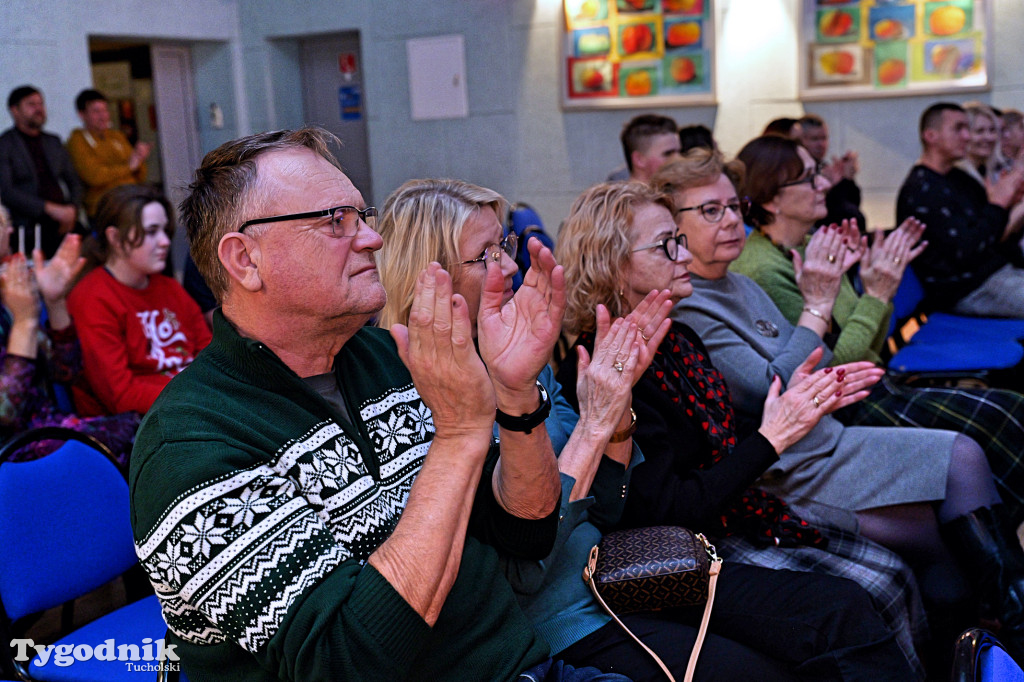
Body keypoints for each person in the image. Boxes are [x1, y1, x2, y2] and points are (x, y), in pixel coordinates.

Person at [376, 177, 915, 681]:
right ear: (429, 274)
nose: (510, 267)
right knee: (804, 643)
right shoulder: (422, 396)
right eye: (486, 255)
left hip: (625, 569)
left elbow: (610, 509)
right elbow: (529, 566)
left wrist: (615, 417)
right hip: (566, 613)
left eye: (506, 246)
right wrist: (597, 427)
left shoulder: (535, 360)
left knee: (843, 609)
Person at [127, 128, 616, 682]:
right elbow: (344, 664)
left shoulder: (386, 358)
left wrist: (517, 396)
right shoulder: (190, 442)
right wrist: (459, 436)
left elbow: (526, 534)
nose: (372, 239)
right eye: (336, 220)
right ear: (245, 259)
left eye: (363, 216)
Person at [660, 147, 1024, 664]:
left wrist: (844, 306)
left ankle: (998, 625)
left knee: (967, 453)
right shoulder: (688, 304)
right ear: (673, 230)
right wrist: (818, 304)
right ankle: (977, 640)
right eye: (711, 211)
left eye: (734, 206)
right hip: (790, 468)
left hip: (829, 435)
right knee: (948, 505)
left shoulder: (739, 283)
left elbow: (818, 361)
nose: (732, 220)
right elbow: (773, 385)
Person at [554, 179, 931, 677]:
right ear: (614, 266)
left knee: (894, 575)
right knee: (856, 599)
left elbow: (719, 444)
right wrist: (774, 434)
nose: (684, 254)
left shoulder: (678, 337)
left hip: (730, 514)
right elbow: (669, 511)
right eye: (667, 244)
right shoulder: (598, 371)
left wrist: (792, 403)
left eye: (680, 239)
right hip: (670, 557)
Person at [731, 134, 1024, 524]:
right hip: (842, 412)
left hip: (872, 385)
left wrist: (879, 293)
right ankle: (988, 544)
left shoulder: (811, 243)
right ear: (771, 199)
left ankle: (993, 533)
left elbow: (871, 344)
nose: (824, 184)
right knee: (1000, 420)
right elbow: (830, 369)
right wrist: (876, 295)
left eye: (819, 173)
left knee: (1010, 410)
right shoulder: (765, 269)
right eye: (809, 178)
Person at [0, 205, 138, 464]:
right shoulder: (16, 303)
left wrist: (54, 302)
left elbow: (67, 371)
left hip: (49, 430)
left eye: (7, 222)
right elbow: (5, 414)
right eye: (1, 224)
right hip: (17, 451)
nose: (9, 231)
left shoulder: (10, 292)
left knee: (146, 430)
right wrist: (25, 322)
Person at [66, 185, 210, 416]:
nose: (165, 241)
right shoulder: (92, 298)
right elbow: (120, 396)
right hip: (146, 422)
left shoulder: (170, 287)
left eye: (165, 230)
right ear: (115, 237)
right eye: (151, 232)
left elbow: (211, 353)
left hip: (194, 404)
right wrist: (197, 398)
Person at [896, 102, 1024, 318]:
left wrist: (1008, 203)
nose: (967, 136)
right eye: (958, 129)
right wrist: (999, 204)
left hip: (994, 274)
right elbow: (966, 251)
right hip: (968, 290)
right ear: (931, 136)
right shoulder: (921, 189)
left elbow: (992, 237)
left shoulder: (957, 178)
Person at [0, 85, 83, 257]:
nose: (39, 109)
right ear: (15, 110)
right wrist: (49, 209)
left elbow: (74, 180)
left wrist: (72, 210)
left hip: (63, 221)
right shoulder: (5, 144)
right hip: (27, 226)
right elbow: (6, 191)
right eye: (31, 104)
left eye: (41, 104)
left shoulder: (53, 141)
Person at [66, 89, 151, 219]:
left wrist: (139, 158)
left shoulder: (117, 136)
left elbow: (140, 175)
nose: (103, 116)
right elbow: (94, 176)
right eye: (96, 111)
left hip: (132, 200)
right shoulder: (77, 140)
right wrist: (128, 167)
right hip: (105, 208)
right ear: (82, 115)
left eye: (105, 110)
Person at [799, 113, 866, 230]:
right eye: (814, 139)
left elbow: (853, 208)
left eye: (824, 138)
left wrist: (847, 179)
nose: (821, 144)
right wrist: (835, 187)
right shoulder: (798, 173)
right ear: (800, 141)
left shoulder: (824, 167)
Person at [607, 113, 681, 183]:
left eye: (680, 152)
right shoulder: (619, 192)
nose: (679, 159)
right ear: (639, 159)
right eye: (668, 154)